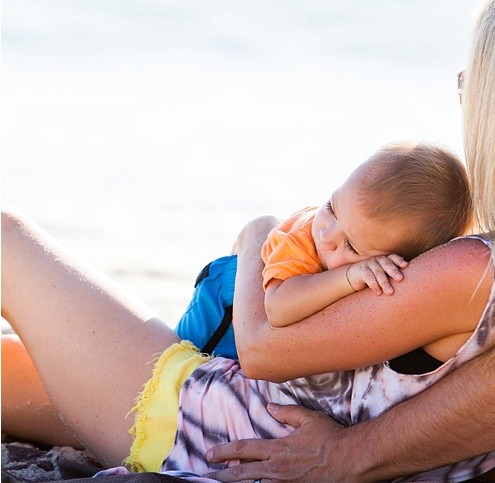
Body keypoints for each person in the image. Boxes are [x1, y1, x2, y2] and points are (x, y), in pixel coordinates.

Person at [2, 0, 495, 483]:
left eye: (474, 83)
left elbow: (263, 349)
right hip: (231, 427)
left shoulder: (475, 268)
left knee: (8, 238)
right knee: (21, 373)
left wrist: (256, 235)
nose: (463, 97)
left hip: (199, 425)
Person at [175, 141, 472, 357]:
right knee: (180, 356)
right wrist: (350, 275)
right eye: (331, 207)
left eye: (351, 245)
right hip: (220, 308)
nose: (326, 234)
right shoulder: (299, 239)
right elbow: (276, 308)